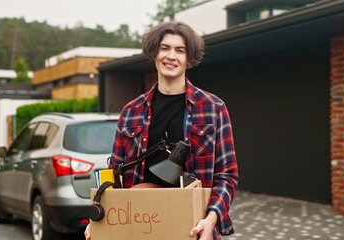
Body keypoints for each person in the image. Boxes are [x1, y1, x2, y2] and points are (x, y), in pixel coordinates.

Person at [85, 21, 238, 240]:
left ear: (189, 58)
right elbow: (114, 175)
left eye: (180, 50)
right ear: (154, 53)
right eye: (165, 48)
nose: (171, 56)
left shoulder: (213, 108)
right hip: (137, 228)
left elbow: (227, 176)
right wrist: (100, 219)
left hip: (192, 227)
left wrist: (211, 218)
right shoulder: (131, 111)